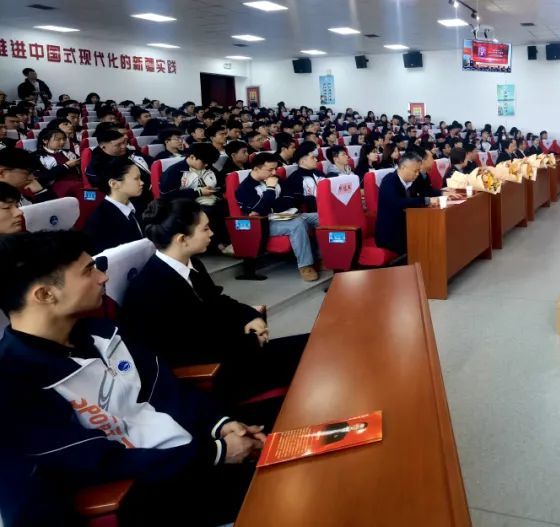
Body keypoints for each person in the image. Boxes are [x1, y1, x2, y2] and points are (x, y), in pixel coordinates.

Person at [0, 231, 265, 527]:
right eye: (89, 271)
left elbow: (166, 390)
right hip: (155, 491)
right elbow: (101, 463)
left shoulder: (102, 331)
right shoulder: (14, 381)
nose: (103, 277)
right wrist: (217, 453)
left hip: (195, 449)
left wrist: (222, 425)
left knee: (287, 437)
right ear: (45, 295)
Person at [121, 198, 308, 425]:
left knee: (312, 346)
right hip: (215, 375)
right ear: (182, 239)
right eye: (205, 229)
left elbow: (218, 301)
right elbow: (186, 348)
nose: (212, 233)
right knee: (310, 369)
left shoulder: (192, 265)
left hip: (236, 353)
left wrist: (250, 316)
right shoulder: (150, 289)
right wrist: (249, 340)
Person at [235, 153, 320, 282]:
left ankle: (325, 256)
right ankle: (305, 266)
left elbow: (290, 199)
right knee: (297, 224)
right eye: (270, 170)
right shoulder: (244, 188)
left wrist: (271, 206)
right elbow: (259, 211)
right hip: (265, 224)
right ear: (256, 169)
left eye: (275, 169)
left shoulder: (276, 178)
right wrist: (270, 189)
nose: (274, 172)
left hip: (288, 215)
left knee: (321, 217)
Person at [375, 152, 439, 254]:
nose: (417, 174)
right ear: (403, 167)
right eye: (415, 171)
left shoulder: (412, 181)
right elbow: (398, 203)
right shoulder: (389, 181)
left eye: (418, 171)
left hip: (408, 226)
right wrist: (426, 200)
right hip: (392, 233)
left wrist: (439, 195)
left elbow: (425, 192)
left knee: (433, 234)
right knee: (426, 240)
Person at [85, 158, 146, 253]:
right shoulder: (99, 221)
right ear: (114, 184)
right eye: (136, 179)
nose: (142, 183)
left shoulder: (140, 206)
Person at [86, 128, 153, 209]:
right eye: (118, 145)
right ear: (103, 147)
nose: (124, 146)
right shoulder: (97, 166)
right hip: (129, 200)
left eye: (124, 142)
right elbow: (108, 190)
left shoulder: (132, 153)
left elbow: (153, 165)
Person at [33, 128, 83, 198]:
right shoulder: (37, 157)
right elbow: (43, 177)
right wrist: (66, 166)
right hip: (56, 189)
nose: (62, 142)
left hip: (78, 184)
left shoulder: (69, 153)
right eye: (58, 139)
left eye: (64, 139)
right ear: (45, 140)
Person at [283, 141, 324, 212]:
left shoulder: (319, 173)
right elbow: (297, 202)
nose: (316, 160)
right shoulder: (295, 178)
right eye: (313, 158)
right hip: (312, 212)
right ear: (302, 161)